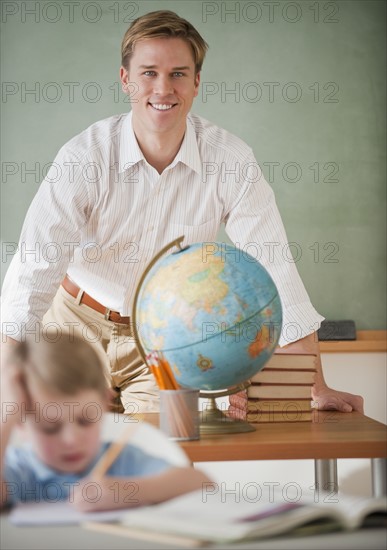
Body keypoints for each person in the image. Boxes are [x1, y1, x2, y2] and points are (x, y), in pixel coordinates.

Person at [1, 10, 363, 416]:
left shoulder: (232, 161)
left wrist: (314, 384)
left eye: (178, 73)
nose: (163, 88)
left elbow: (275, 264)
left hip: (164, 334)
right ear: (126, 81)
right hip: (72, 325)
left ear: (196, 83)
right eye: (149, 72)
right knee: (60, 457)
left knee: (162, 452)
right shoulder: (83, 158)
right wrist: (12, 376)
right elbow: (35, 265)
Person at [0, 336, 211, 511]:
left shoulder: (123, 461)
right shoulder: (20, 470)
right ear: (19, 422)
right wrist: (7, 414)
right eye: (50, 428)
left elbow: (203, 484)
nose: (71, 440)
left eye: (85, 421)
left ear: (105, 403)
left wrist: (128, 491)